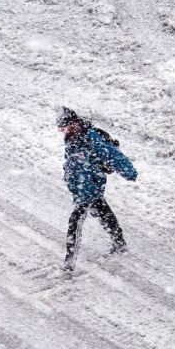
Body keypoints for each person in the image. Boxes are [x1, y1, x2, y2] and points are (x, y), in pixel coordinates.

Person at [57, 107, 137, 271]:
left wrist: (129, 172)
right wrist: (69, 179)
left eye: (66, 128)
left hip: (90, 189)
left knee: (75, 222)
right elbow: (71, 164)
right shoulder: (72, 141)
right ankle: (120, 244)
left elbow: (113, 155)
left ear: (74, 124)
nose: (65, 132)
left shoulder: (91, 138)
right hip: (82, 190)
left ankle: (69, 262)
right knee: (104, 213)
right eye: (62, 130)